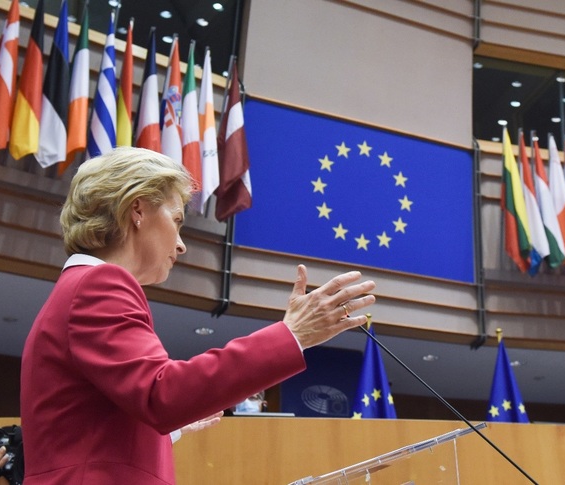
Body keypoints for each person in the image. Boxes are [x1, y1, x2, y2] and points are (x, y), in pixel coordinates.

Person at [20, 147, 376, 484]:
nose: (181, 244)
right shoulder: (100, 283)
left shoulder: (78, 286)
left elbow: (89, 429)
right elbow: (161, 395)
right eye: (177, 220)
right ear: (138, 209)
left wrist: (168, 432)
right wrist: (293, 334)